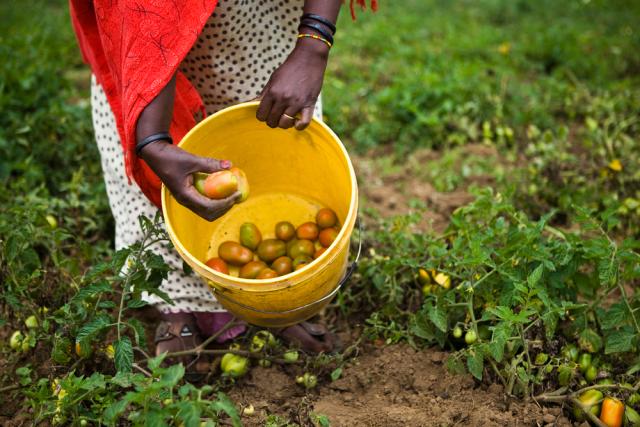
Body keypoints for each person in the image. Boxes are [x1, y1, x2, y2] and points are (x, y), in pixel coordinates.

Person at [70, 0, 377, 375]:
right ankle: (175, 302)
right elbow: (140, 17)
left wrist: (313, 44)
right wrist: (151, 140)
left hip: (256, 32)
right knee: (155, 171)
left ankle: (277, 299)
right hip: (145, 37)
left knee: (273, 136)